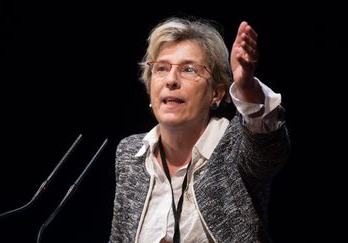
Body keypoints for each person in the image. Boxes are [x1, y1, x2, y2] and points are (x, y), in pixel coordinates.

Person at [109, 16, 290, 243]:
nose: (171, 80)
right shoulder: (130, 152)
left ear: (217, 92)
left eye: (189, 70)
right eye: (162, 68)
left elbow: (269, 148)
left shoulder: (235, 144)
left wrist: (247, 88)